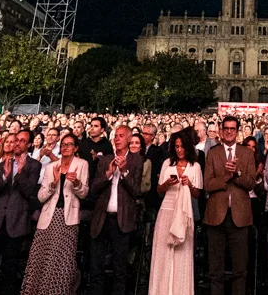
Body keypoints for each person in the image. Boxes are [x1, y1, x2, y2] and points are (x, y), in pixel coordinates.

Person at [21, 133, 89, 295]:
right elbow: (41, 196)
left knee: (62, 259)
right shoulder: (52, 167)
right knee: (40, 258)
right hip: (48, 218)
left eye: (70, 144)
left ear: (76, 148)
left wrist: (77, 183)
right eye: (63, 144)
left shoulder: (82, 164)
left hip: (67, 219)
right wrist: (54, 183)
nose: (66, 147)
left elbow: (84, 193)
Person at [0, 129, 41, 295]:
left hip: (16, 223)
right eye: (16, 140)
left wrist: (19, 173)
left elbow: (28, 191)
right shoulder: (2, 163)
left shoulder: (34, 165)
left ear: (28, 144)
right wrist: (4, 176)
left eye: (22, 140)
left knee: (9, 269)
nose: (17, 143)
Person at [87, 124, 142, 295]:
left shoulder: (137, 160)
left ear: (129, 139)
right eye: (115, 136)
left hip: (122, 220)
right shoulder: (105, 160)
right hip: (101, 219)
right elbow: (93, 189)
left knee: (120, 269)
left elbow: (136, 191)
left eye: (121, 136)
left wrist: (124, 172)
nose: (117, 139)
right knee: (96, 267)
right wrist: (108, 174)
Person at [149, 132, 202, 295]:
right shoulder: (167, 163)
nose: (179, 150)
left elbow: (198, 194)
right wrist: (167, 183)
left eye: (182, 146)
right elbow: (159, 190)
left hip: (185, 212)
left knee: (182, 255)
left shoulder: (195, 166)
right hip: (167, 210)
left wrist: (189, 184)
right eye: (177, 147)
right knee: (163, 254)